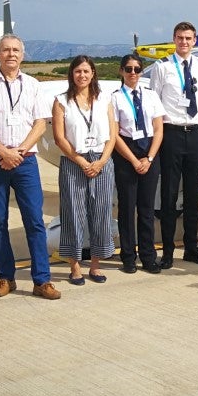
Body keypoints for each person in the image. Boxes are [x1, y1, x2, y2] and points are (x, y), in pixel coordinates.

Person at [0, 33, 59, 300]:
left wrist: (18, 151)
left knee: (35, 221)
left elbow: (40, 122)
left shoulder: (32, 84)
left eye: (16, 50)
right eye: (5, 50)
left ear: (23, 55)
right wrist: (3, 152)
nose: (11, 54)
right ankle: (6, 278)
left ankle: (42, 280)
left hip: (25, 161)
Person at [147, 21, 198, 268]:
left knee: (193, 194)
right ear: (174, 40)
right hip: (171, 132)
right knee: (168, 194)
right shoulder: (162, 67)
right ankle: (167, 251)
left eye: (188, 38)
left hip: (195, 133)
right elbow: (155, 102)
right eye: (179, 38)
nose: (184, 42)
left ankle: (192, 247)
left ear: (194, 40)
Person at [52, 55, 118, 285]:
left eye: (86, 71)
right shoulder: (61, 101)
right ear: (71, 74)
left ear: (93, 74)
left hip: (101, 161)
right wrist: (80, 161)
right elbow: (59, 137)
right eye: (78, 71)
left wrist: (102, 161)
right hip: (73, 161)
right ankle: (75, 267)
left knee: (100, 213)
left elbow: (113, 134)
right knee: (73, 214)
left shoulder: (104, 99)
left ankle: (96, 265)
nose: (82, 75)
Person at [111, 54, 165, 274]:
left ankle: (148, 255)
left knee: (147, 208)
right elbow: (114, 134)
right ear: (121, 71)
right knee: (126, 207)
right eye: (128, 69)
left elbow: (159, 128)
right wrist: (133, 160)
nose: (133, 73)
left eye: (136, 69)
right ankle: (128, 256)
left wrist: (150, 158)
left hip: (150, 152)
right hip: (127, 153)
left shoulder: (151, 96)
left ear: (141, 71)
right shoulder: (115, 98)